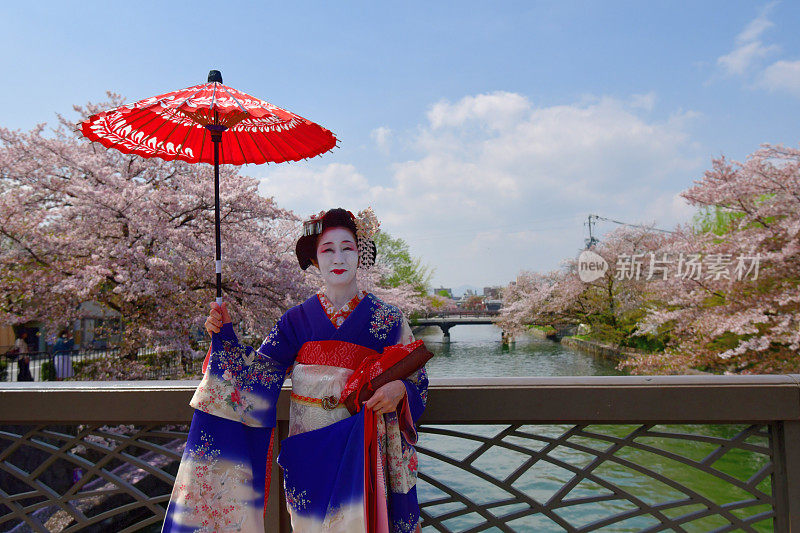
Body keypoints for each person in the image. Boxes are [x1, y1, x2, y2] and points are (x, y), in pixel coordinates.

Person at [162, 208, 430, 533]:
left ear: (361, 254)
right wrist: (224, 341)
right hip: (309, 453)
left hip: (363, 455)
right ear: (315, 260)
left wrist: (400, 390)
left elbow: (417, 379)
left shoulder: (388, 320)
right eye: (327, 250)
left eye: (347, 247)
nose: (338, 257)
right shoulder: (296, 320)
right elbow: (255, 376)